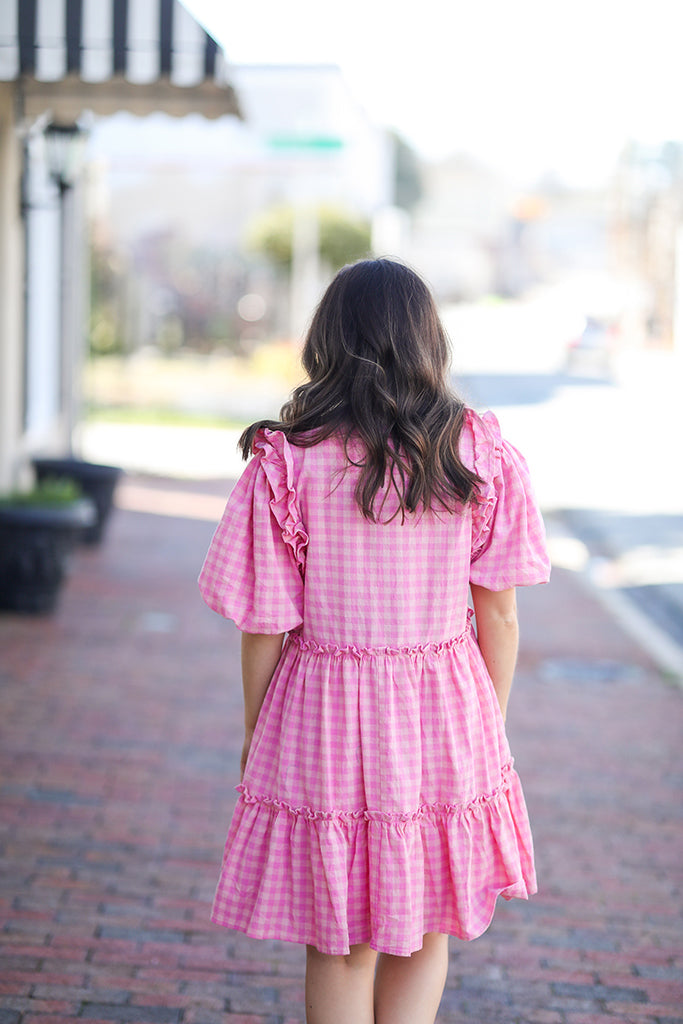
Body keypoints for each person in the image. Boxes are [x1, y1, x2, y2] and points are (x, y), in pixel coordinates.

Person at [198, 258, 551, 1024]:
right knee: (424, 928)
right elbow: (500, 616)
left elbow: (264, 624)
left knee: (339, 938)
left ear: (328, 339)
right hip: (444, 712)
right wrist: (485, 723)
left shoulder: (285, 462)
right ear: (428, 340)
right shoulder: (475, 454)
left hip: (321, 715)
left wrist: (256, 729)